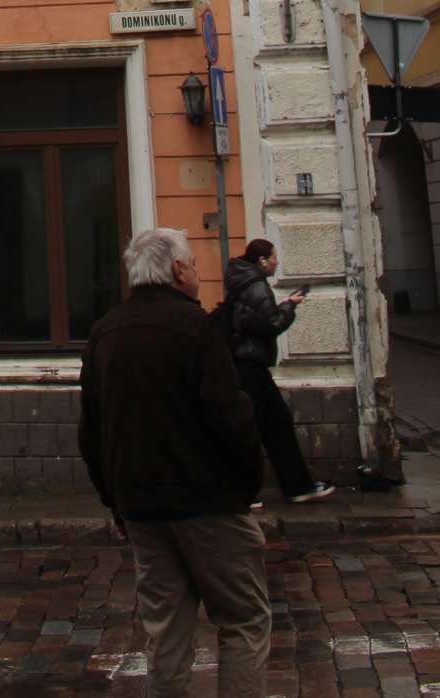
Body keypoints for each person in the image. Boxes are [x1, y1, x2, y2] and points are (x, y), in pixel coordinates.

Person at [79, 227, 268, 698]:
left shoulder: (105, 333)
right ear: (178, 270)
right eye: (195, 266)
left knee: (166, 631)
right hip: (210, 502)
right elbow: (233, 416)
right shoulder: (196, 327)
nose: (198, 275)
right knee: (243, 620)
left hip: (142, 507)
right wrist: (247, 487)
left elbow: (92, 432)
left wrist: (117, 504)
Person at [224, 238, 335, 505]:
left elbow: (255, 318)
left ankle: (288, 486)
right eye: (274, 257)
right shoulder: (257, 285)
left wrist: (282, 304)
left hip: (243, 363)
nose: (276, 261)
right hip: (252, 365)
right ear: (262, 261)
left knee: (261, 426)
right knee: (274, 425)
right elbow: (270, 324)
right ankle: (291, 487)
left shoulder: (242, 281)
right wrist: (290, 306)